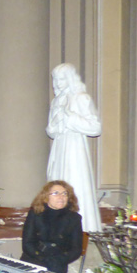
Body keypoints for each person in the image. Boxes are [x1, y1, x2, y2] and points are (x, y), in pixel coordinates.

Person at [46, 63, 102, 233]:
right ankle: (56, 226)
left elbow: (95, 127)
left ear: (70, 79)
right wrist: (56, 123)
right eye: (56, 79)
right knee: (57, 180)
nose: (58, 83)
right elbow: (51, 131)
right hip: (59, 147)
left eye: (62, 79)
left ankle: (81, 228)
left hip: (75, 148)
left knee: (75, 181)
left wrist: (70, 118)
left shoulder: (81, 98)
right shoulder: (56, 101)